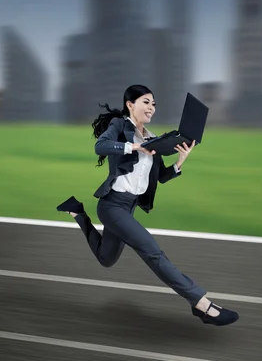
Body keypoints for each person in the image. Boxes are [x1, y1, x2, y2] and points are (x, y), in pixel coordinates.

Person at [56, 84, 239, 326]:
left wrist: (180, 161)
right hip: (112, 206)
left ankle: (78, 213)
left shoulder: (154, 138)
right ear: (130, 105)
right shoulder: (120, 127)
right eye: (146, 101)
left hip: (128, 207)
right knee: (152, 251)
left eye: (153, 103)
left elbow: (160, 176)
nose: (151, 107)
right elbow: (100, 146)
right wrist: (134, 146)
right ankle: (202, 305)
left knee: (106, 259)